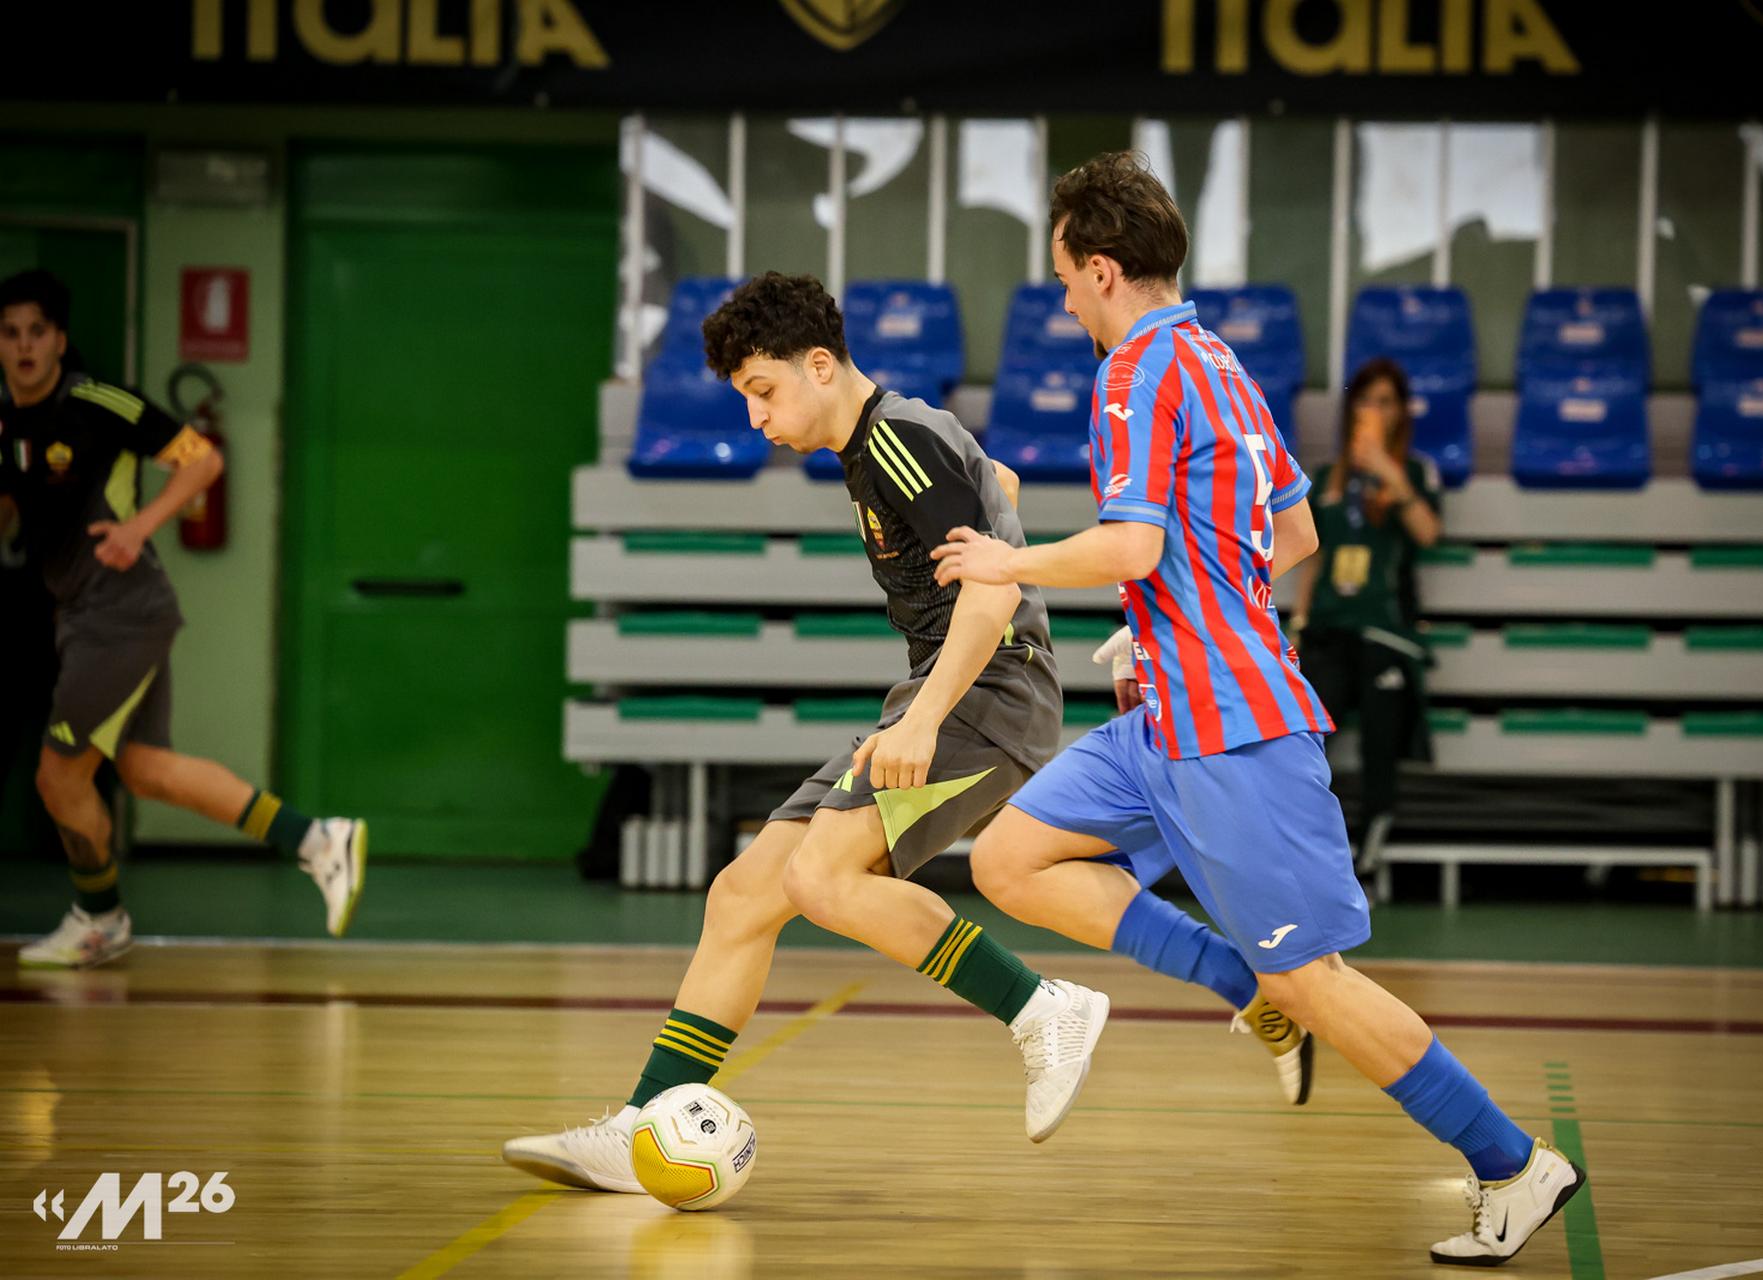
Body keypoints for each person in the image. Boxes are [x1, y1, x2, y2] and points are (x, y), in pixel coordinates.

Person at [501, 273, 1310, 1195]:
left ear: (819, 365)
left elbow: (992, 593)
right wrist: (986, 516)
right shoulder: (891, 438)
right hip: (947, 688)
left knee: (820, 878)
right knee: (742, 895)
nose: (756, 419)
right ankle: (644, 1121)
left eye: (763, 391)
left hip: (989, 696)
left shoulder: (898, 441)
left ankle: (1040, 1007)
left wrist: (921, 720)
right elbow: (997, 483)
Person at [933, 152, 1584, 1267]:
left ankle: (1513, 1161)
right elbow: (1294, 533)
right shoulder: (1220, 360)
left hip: (1232, 727)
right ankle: (1246, 988)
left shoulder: (1134, 371)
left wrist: (1010, 558)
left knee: (1314, 980)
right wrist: (1172, 618)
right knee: (1008, 858)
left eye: (1066, 277)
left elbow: (1133, 544)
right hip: (1166, 713)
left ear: (1102, 269)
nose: (1065, 299)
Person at [0, 269, 366, 968]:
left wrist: (138, 526)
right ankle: (319, 840)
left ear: (59, 340)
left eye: (36, 332)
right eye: (10, 333)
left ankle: (99, 917)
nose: (24, 346)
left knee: (58, 777)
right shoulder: (6, 425)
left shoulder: (96, 402)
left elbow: (202, 461)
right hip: (87, 615)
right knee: (146, 770)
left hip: (119, 610)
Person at [1292, 356, 1444, 880]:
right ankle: (1308, 854)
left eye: (1385, 402)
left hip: (1384, 632)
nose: (1373, 411)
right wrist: (1298, 622)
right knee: (1303, 739)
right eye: (1364, 400)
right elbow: (1312, 556)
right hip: (1330, 629)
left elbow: (1427, 533)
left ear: (1401, 411)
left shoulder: (1414, 473)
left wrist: (1386, 469)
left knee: (1382, 740)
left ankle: (1370, 857)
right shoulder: (1325, 478)